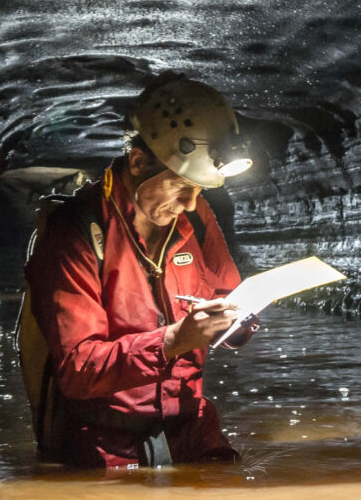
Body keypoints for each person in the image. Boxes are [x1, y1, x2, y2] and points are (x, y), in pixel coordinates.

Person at [23, 74, 255, 468]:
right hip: (107, 451)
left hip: (193, 434)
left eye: (200, 191)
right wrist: (173, 340)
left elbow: (225, 295)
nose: (189, 203)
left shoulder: (197, 218)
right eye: (181, 187)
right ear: (138, 162)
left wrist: (237, 322)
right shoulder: (75, 232)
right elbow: (79, 368)